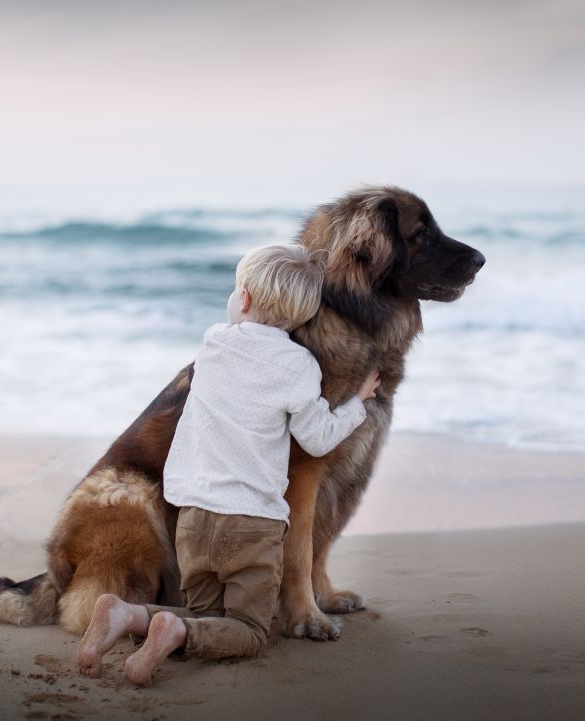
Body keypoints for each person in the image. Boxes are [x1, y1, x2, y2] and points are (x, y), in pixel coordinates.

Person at [77, 243, 381, 685]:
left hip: (193, 518)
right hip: (251, 525)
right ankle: (171, 630)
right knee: (250, 630)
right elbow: (316, 441)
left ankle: (128, 614)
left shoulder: (214, 343)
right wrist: (357, 403)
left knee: (203, 612)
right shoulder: (299, 366)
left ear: (242, 300)